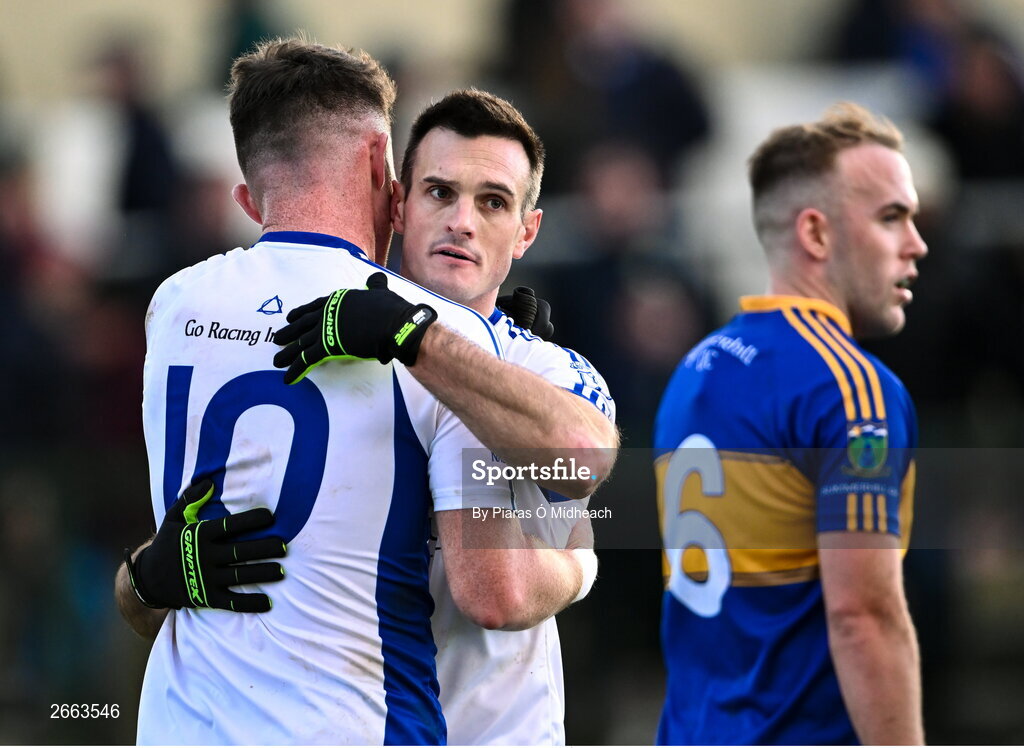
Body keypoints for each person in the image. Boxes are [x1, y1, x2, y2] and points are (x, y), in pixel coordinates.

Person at [117, 38, 598, 746]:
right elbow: (502, 584)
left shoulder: (176, 306)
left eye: (489, 201)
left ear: (250, 199)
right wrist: (586, 554)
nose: (458, 219)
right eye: (438, 191)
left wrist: (143, 581)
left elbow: (177, 563)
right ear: (387, 175)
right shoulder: (450, 342)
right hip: (360, 722)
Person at [654, 103, 926, 745]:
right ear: (817, 234)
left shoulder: (695, 370)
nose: (917, 242)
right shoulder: (850, 389)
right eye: (892, 217)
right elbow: (864, 617)